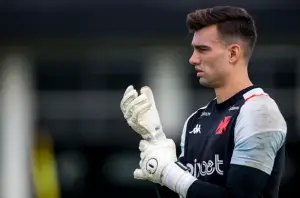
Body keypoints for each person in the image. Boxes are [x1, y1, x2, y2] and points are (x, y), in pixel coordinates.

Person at [120, 6, 287, 198]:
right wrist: (156, 141)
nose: (192, 59)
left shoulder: (259, 110)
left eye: (202, 49)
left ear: (233, 53)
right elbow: (183, 193)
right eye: (193, 50)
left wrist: (169, 173)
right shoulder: (195, 120)